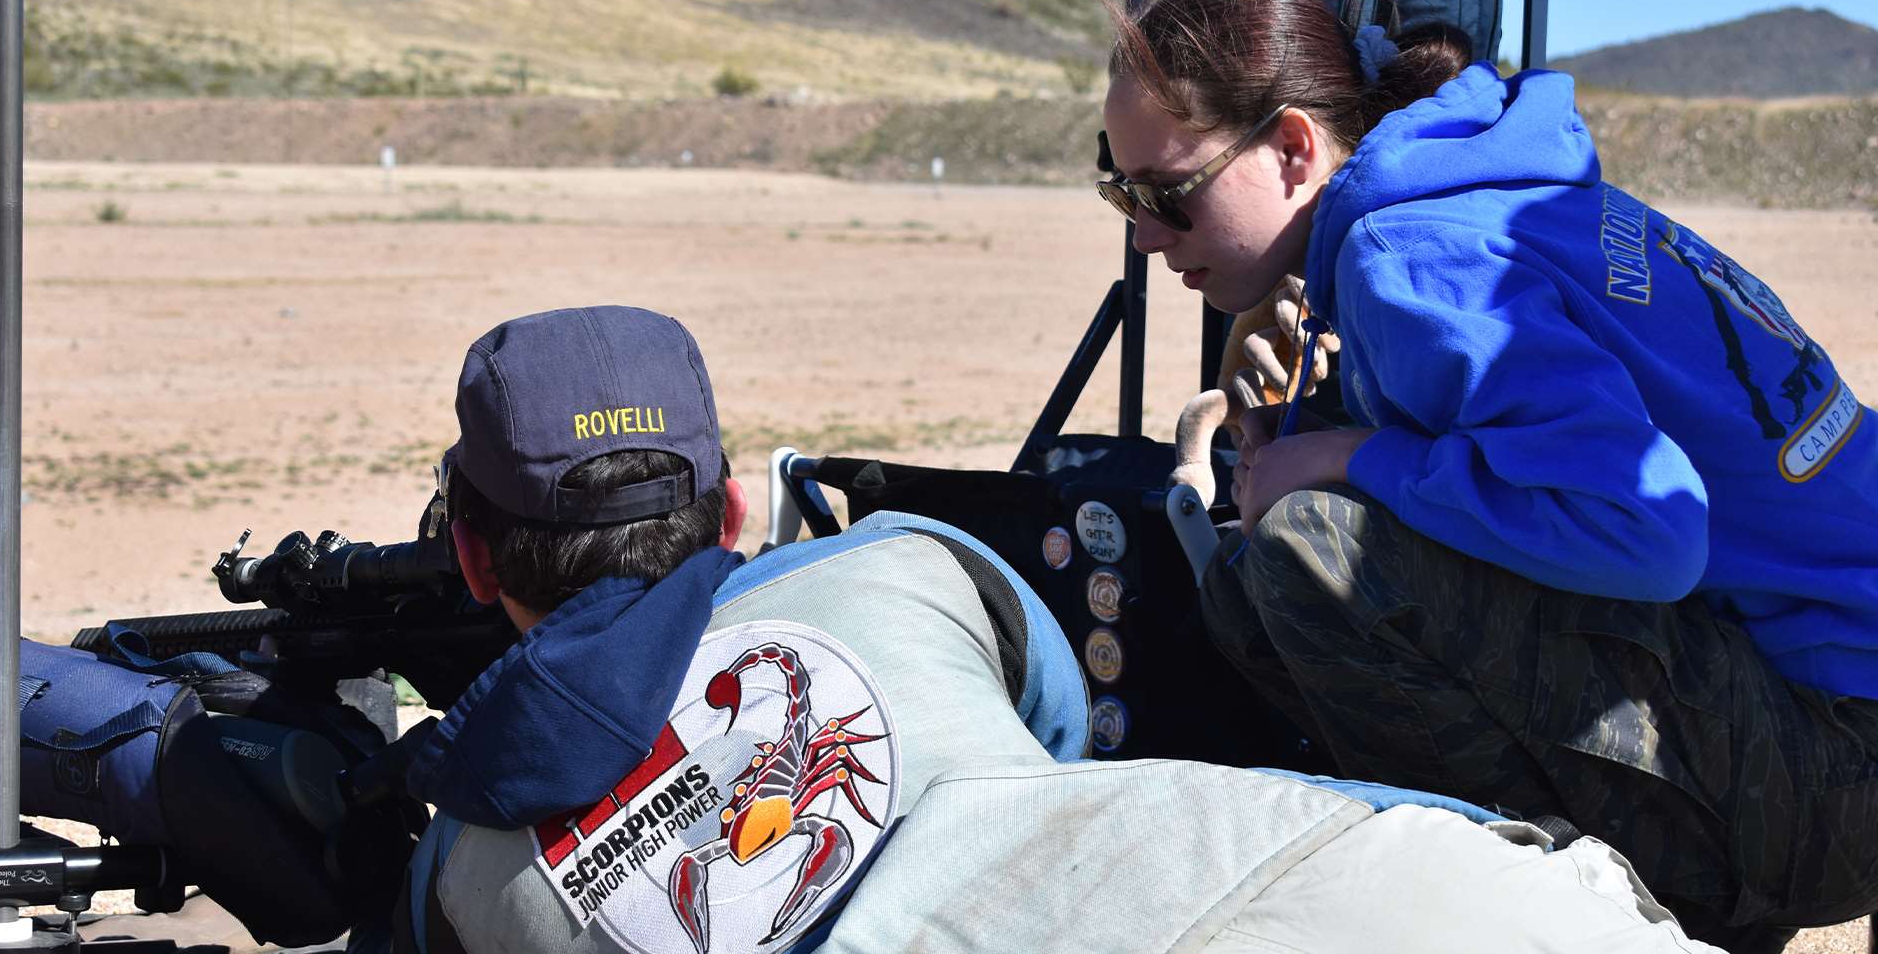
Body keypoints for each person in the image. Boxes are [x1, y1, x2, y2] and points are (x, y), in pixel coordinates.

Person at [392, 304, 1725, 954]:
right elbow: (1062, 725)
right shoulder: (913, 565)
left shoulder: (469, 866)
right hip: (1465, 904)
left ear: (466, 551)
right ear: (738, 503)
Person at [1098, 0, 1878, 952]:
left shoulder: (1406, 255)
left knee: (1305, 561)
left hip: (1833, 775)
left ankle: (1560, 917)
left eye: (1170, 193)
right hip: (1824, 718)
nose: (1145, 234)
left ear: (1294, 148)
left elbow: (1653, 532)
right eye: (1120, 189)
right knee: (1290, 555)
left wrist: (1352, 455)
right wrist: (1318, 439)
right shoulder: (1479, 194)